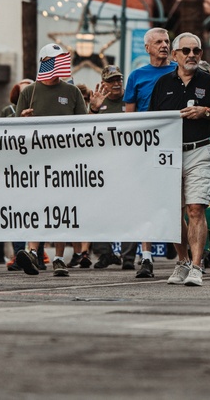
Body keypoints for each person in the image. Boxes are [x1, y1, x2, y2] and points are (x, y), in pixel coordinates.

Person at [149, 32, 210, 287]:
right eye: (185, 51)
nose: (191, 55)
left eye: (196, 50)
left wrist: (205, 111)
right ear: (174, 55)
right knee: (174, 212)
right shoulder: (162, 84)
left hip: (199, 151)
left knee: (195, 209)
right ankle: (182, 261)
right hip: (169, 154)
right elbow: (152, 121)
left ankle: (197, 267)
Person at [14, 43, 88, 277]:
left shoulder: (72, 92)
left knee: (61, 209)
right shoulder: (29, 92)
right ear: (44, 62)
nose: (60, 65)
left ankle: (58, 258)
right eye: (55, 60)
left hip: (65, 161)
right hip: (35, 161)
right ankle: (34, 252)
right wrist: (23, 119)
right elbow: (13, 131)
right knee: (36, 206)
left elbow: (84, 128)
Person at [122, 27, 176, 279]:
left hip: (175, 143)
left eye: (166, 41)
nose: (164, 45)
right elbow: (129, 115)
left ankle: (188, 254)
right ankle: (146, 256)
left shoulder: (179, 72)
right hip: (144, 145)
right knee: (145, 201)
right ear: (147, 48)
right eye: (158, 42)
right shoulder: (137, 76)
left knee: (177, 200)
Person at [88, 64, 132, 270]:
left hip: (127, 163)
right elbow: (86, 131)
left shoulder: (130, 100)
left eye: (119, 80)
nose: (116, 84)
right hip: (104, 164)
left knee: (128, 210)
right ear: (103, 83)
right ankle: (105, 253)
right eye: (112, 80)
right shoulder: (99, 102)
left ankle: (129, 257)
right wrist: (93, 109)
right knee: (99, 210)